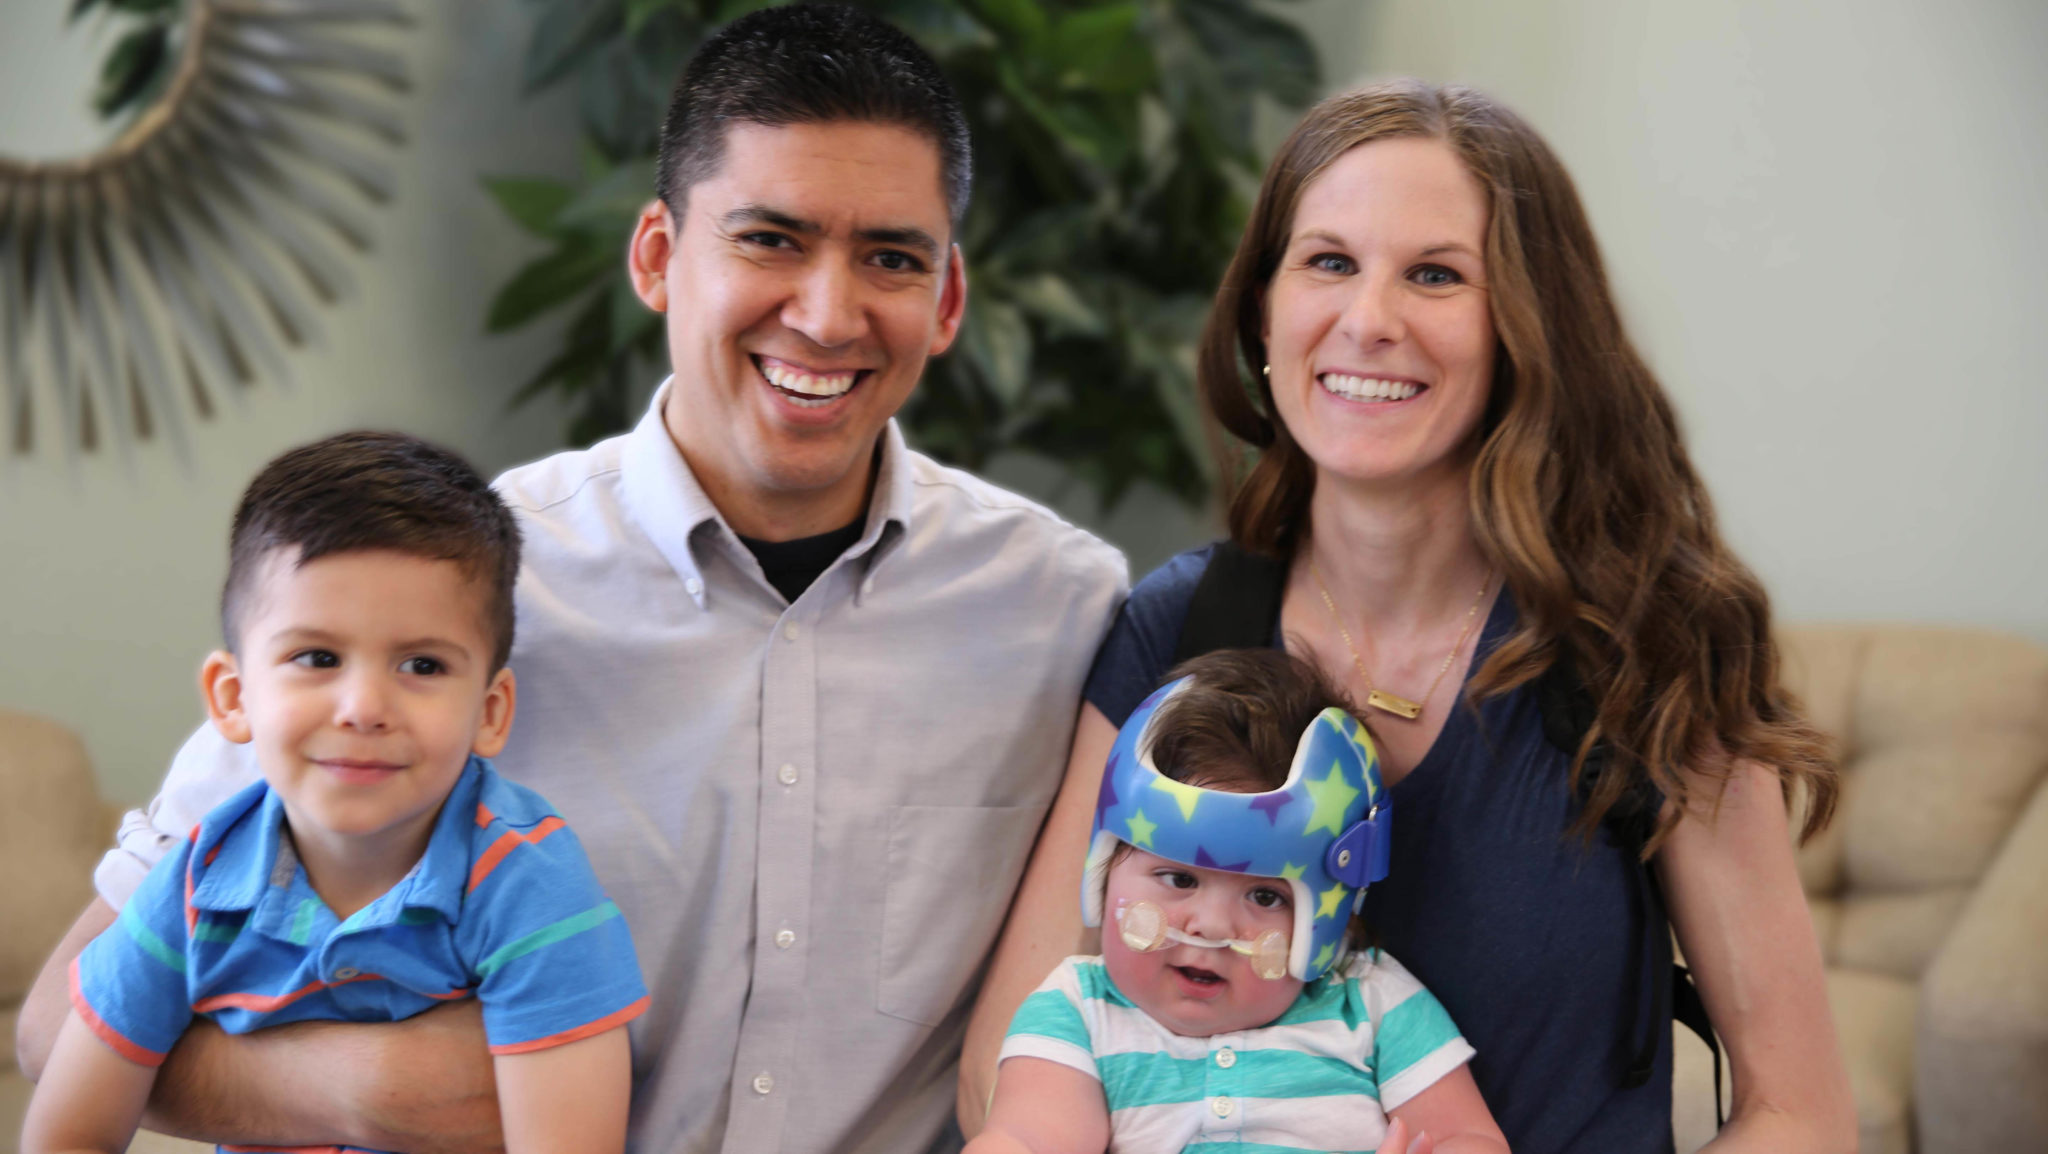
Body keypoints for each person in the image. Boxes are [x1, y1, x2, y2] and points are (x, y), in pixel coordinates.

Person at [15, 7, 1126, 1154]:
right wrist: (374, 1087)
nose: (827, 312)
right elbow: (59, 1022)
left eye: (890, 257)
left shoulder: (1064, 610)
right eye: (768, 239)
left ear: (945, 302)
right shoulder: (442, 591)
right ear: (657, 256)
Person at [964, 80, 1855, 1154]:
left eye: (1434, 274)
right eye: (1328, 262)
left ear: (1528, 329)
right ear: (1261, 307)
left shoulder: (1649, 643)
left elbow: (1797, 1114)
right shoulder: (1180, 628)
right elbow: (1006, 1067)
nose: (1368, 320)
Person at [21, 432, 647, 1154]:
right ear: (233, 698)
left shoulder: (529, 886)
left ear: (491, 712)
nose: (363, 706)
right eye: (317, 657)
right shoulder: (192, 886)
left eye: (421, 664)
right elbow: (70, 1136)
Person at [966, 650, 1508, 1154]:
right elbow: (1028, 1136)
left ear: (1327, 916)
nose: (1209, 925)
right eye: (1178, 879)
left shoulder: (1372, 1004)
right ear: (1105, 870)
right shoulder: (1077, 1011)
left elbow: (1468, 1137)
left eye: (1265, 895)